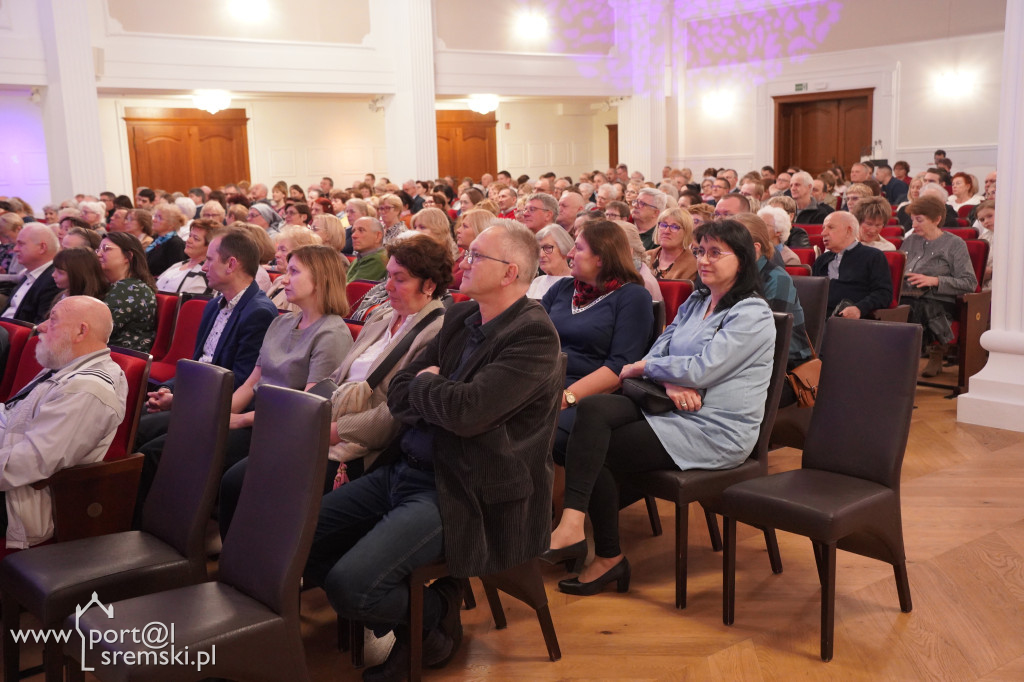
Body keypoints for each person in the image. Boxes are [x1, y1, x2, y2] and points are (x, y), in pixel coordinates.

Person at [303, 220, 562, 680]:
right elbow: (401, 390)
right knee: (301, 544)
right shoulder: (460, 316)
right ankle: (426, 624)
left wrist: (432, 388)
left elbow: (468, 412)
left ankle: (434, 607)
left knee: (350, 586)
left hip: (463, 487)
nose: (464, 260)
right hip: (406, 467)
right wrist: (434, 390)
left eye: (478, 256)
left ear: (510, 273)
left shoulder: (533, 336)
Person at [544, 219, 775, 595]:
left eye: (716, 252)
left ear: (744, 260)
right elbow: (660, 351)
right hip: (672, 405)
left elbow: (702, 368)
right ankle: (571, 524)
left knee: (591, 446)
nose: (703, 259)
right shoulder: (697, 301)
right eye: (700, 251)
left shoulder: (752, 314)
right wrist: (669, 380)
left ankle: (607, 556)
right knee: (594, 411)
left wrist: (650, 369)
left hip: (715, 428)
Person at [219, 235, 452, 537]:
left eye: (400, 279)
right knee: (238, 478)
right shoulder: (382, 317)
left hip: (361, 445)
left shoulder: (435, 332)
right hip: (327, 422)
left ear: (429, 285)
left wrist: (332, 430)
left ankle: (270, 569)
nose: (388, 286)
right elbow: (337, 379)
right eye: (388, 276)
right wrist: (300, 419)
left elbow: (395, 413)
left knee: (250, 480)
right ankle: (242, 564)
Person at [0, 296, 127, 551]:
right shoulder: (67, 366)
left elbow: (31, 461)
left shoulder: (87, 389)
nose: (41, 326)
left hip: (21, 503)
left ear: (81, 331)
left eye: (53, 320)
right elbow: (13, 414)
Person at [543, 220, 654, 475]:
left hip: (591, 396)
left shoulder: (633, 297)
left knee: (544, 434)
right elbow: (532, 338)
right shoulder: (563, 288)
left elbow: (619, 367)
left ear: (602, 258)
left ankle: (549, 511)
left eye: (578, 249)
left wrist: (566, 397)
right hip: (545, 384)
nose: (570, 254)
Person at [899, 195, 977, 377]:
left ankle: (905, 372)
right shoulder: (910, 241)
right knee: (892, 308)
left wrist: (935, 281)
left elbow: (969, 283)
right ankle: (893, 367)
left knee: (912, 310)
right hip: (908, 295)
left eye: (919, 220)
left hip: (938, 300)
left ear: (936, 219)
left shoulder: (954, 244)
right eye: (912, 220)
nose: (914, 225)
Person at [812, 211, 893, 318]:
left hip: (854, 321)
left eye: (830, 227)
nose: (823, 233)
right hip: (819, 318)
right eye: (823, 228)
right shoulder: (821, 260)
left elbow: (883, 294)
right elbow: (812, 293)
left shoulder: (873, 256)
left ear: (848, 231)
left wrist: (860, 308)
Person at [96, 232, 157, 353]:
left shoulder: (133, 290)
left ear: (128, 256)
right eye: (97, 250)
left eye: (106, 249)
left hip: (120, 358)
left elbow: (95, 330)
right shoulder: (116, 286)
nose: (98, 254)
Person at [1, 223, 60, 324]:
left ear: (42, 247)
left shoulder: (54, 279)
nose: (15, 249)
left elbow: (38, 326)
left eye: (21, 244)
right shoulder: (31, 273)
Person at [155, 219, 219, 295]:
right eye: (190, 236)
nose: (188, 240)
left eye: (196, 238)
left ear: (210, 246)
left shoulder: (205, 275)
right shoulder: (178, 265)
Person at [268, 227, 322, 311]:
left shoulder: (301, 290)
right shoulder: (279, 280)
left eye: (283, 250)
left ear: (302, 253)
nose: (277, 255)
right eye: (278, 249)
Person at [48, 248, 110, 315]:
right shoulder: (62, 295)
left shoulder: (91, 306)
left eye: (60, 273)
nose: (53, 275)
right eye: (55, 270)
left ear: (78, 275)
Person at [647, 208, 698, 280]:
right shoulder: (645, 256)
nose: (666, 231)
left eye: (675, 227)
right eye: (663, 225)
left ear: (686, 233)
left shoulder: (693, 265)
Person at [527, 224, 574, 299]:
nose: (541, 255)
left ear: (563, 248)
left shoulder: (576, 283)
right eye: (539, 249)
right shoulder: (537, 282)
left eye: (548, 248)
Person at [346, 217, 388, 284]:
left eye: (361, 230)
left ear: (378, 236)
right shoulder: (360, 257)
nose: (353, 235)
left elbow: (351, 289)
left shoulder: (378, 259)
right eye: (353, 231)